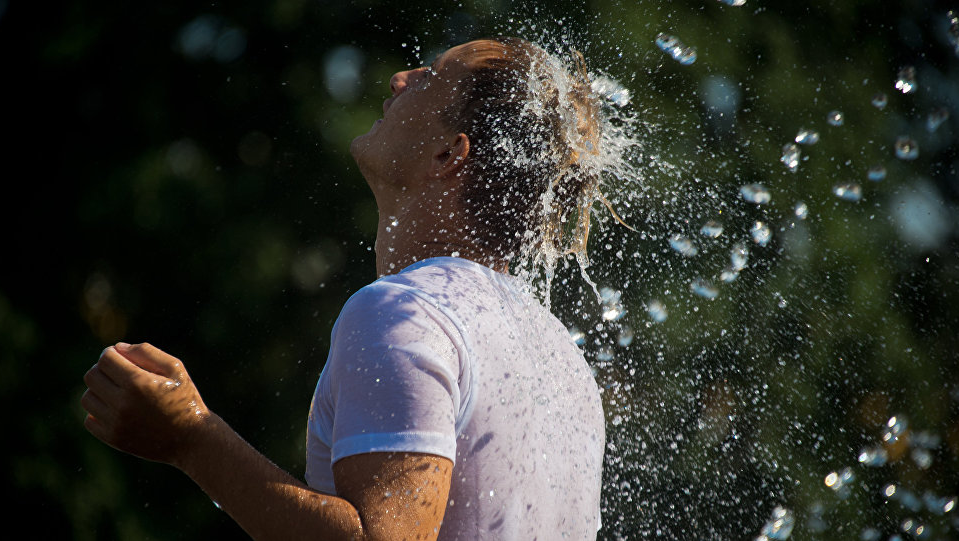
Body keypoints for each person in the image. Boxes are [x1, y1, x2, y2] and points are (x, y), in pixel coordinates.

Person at [82, 37, 606, 540]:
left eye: (431, 77)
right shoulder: (560, 357)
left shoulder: (404, 312)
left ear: (449, 155)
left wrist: (190, 437)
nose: (401, 79)